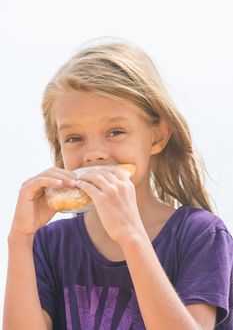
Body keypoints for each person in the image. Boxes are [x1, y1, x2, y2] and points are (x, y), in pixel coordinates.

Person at [3, 38, 233, 330]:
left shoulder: (200, 235)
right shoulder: (49, 244)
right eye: (74, 138)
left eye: (115, 131)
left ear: (157, 137)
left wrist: (131, 236)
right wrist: (20, 239)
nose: (94, 152)